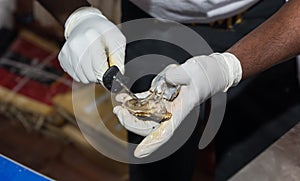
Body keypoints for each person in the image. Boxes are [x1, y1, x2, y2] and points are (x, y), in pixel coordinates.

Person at [36, 0, 299, 180]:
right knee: (158, 163)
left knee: (264, 166)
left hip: (269, 25)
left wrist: (227, 68)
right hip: (154, 24)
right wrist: (77, 16)